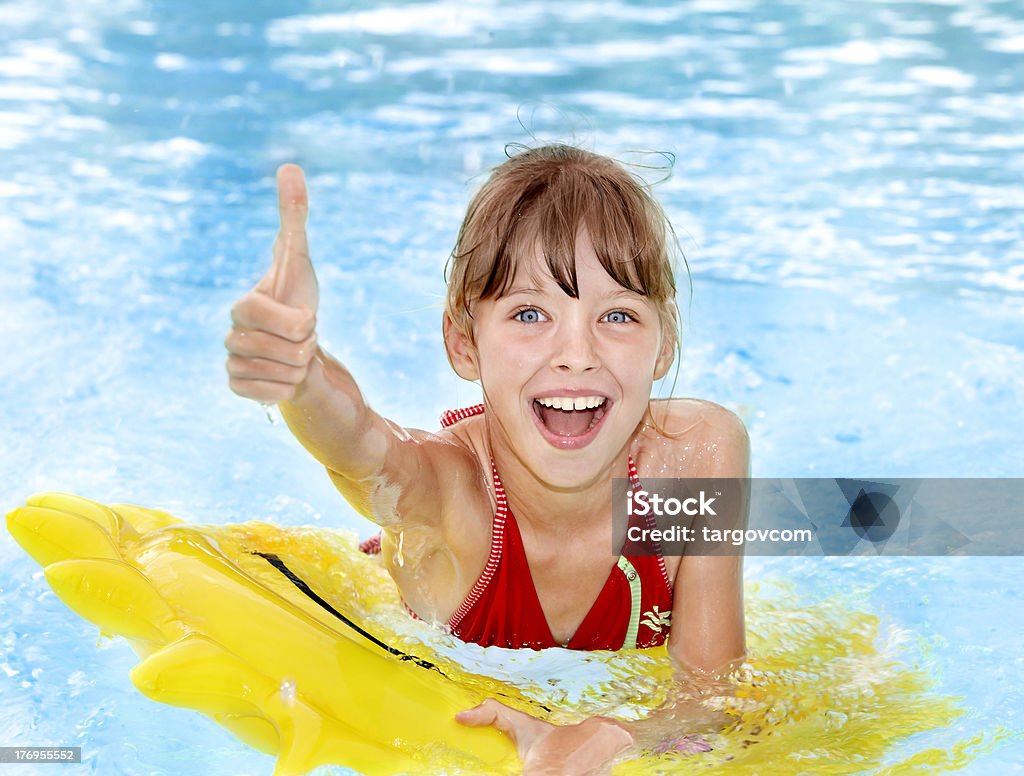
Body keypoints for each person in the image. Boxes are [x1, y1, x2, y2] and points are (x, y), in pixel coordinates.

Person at [225, 144, 749, 775]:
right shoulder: (448, 495)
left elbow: (716, 699)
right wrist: (300, 369)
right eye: (530, 313)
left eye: (617, 315)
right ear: (463, 343)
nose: (576, 353)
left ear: (663, 345)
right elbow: (362, 446)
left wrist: (614, 736)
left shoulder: (699, 454)